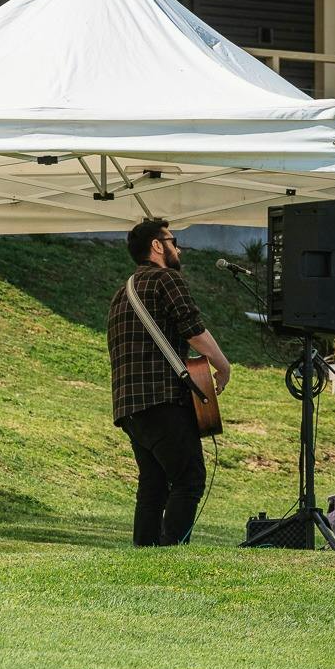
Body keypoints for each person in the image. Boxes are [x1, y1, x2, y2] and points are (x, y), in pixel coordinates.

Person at [106, 218, 231, 547]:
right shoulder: (166, 279)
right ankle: (170, 553)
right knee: (189, 479)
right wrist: (223, 366)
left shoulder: (122, 293)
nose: (178, 248)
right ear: (157, 246)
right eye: (174, 241)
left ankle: (145, 554)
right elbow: (193, 330)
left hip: (130, 406)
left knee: (154, 486)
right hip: (162, 398)